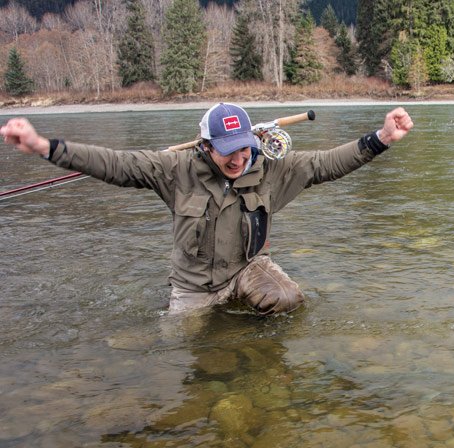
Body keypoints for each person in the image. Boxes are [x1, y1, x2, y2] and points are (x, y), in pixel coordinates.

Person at [1, 103, 414, 315]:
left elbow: (327, 164)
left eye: (245, 151)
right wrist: (44, 147)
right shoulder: (174, 169)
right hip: (194, 287)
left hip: (247, 268)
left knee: (289, 300)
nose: (239, 161)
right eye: (227, 153)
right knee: (180, 351)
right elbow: (115, 164)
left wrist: (381, 137)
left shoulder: (272, 169)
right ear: (206, 146)